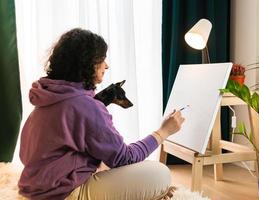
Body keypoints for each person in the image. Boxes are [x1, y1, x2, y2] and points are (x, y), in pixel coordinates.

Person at [18, 28, 185, 200]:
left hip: (34, 190)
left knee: (106, 163)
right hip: (62, 194)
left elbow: (25, 155)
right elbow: (125, 158)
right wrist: (163, 132)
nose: (107, 65)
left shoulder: (46, 98)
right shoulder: (84, 105)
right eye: (102, 59)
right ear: (88, 63)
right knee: (160, 173)